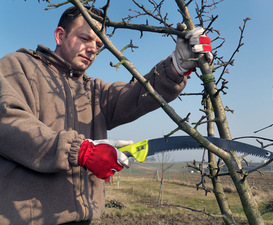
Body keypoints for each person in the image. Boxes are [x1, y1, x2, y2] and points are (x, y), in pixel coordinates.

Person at [0, 6, 212, 225]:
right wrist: (80, 151)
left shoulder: (94, 91)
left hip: (84, 219)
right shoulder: (17, 67)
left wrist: (176, 67)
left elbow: (135, 94)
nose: (92, 49)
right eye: (85, 38)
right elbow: (6, 119)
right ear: (60, 35)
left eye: (99, 45)